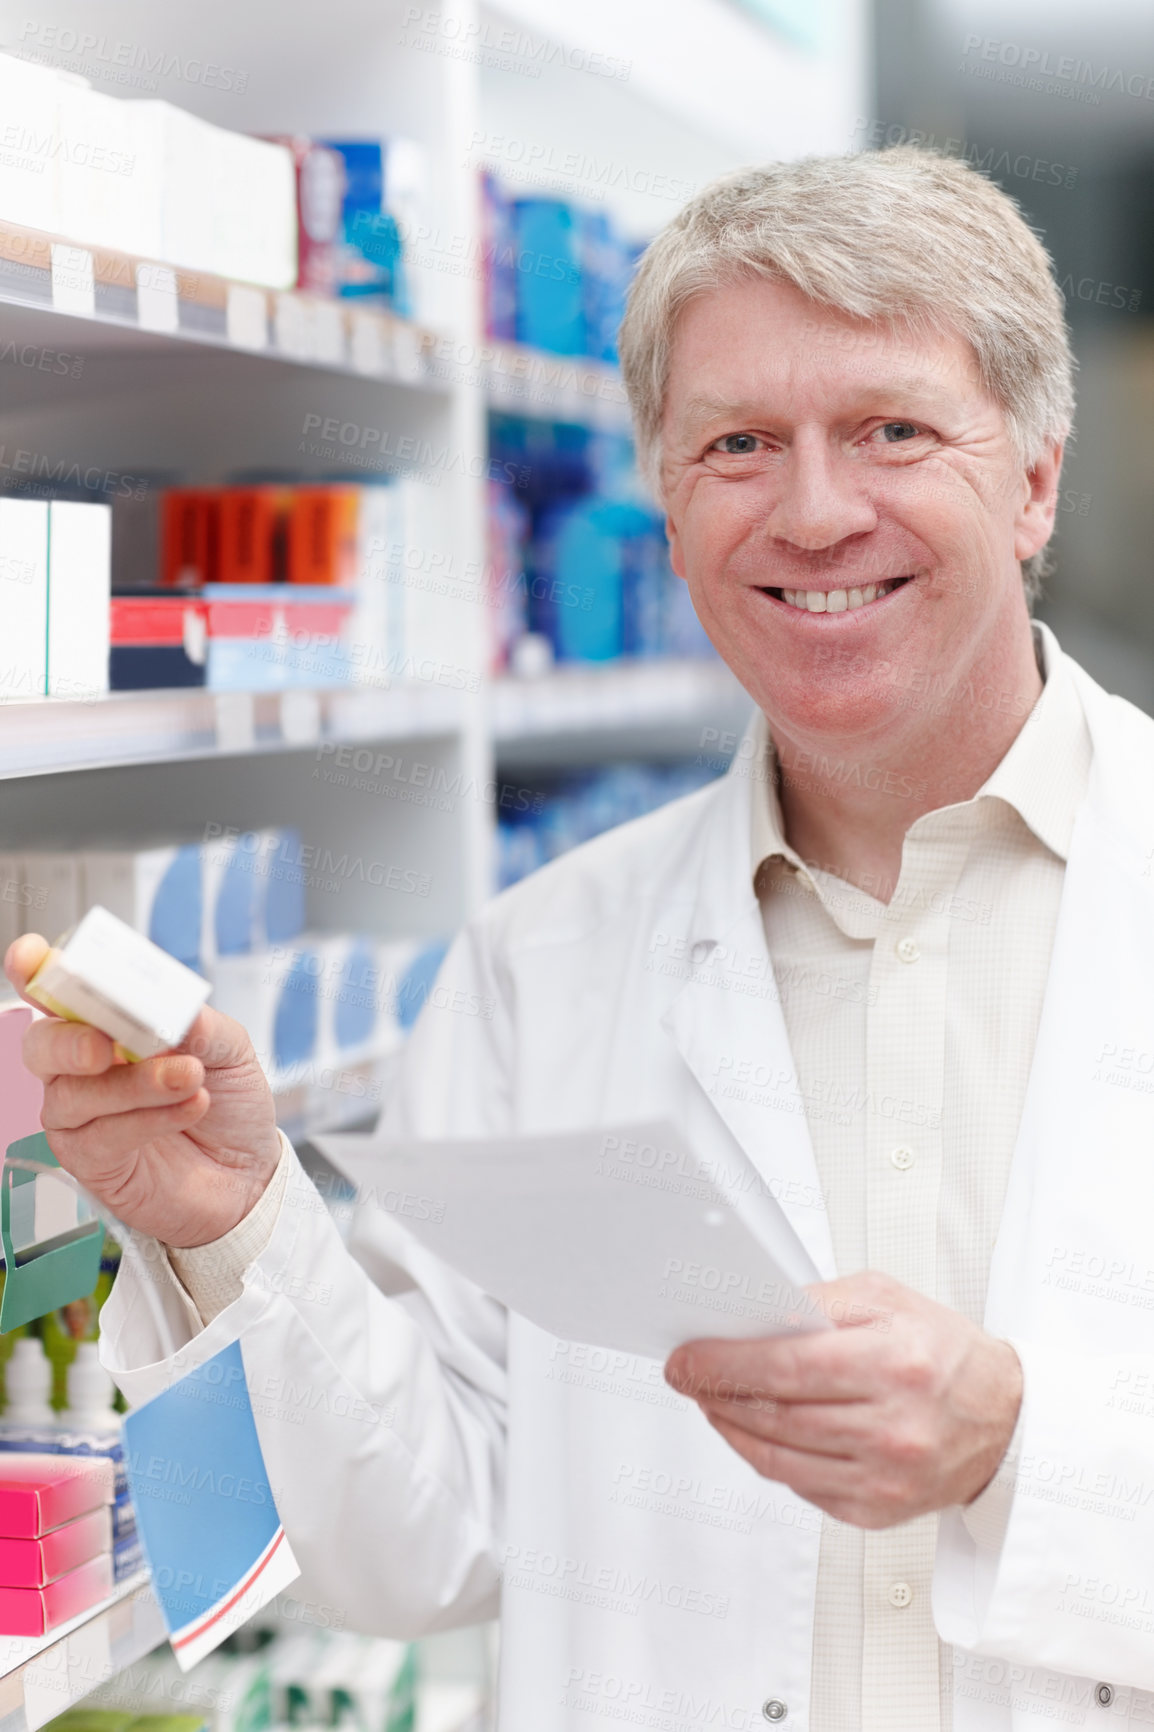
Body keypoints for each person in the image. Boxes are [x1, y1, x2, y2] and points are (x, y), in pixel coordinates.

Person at [8, 147, 1154, 1731]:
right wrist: (237, 1228)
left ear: (1031, 477)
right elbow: (421, 1545)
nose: (814, 512)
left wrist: (1019, 1452)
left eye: (889, 429)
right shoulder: (541, 964)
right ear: (668, 507)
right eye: (737, 443)